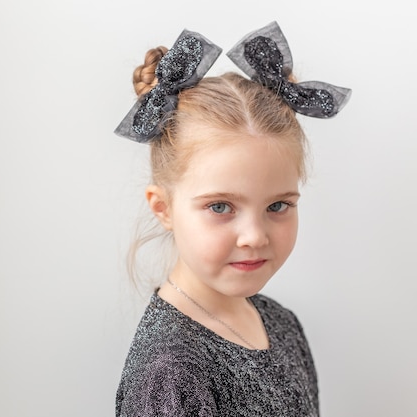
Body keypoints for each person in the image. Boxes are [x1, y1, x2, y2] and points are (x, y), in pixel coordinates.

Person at [113, 21, 350, 417]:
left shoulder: (280, 322)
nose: (254, 236)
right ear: (163, 208)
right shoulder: (170, 374)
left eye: (278, 206)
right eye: (220, 207)